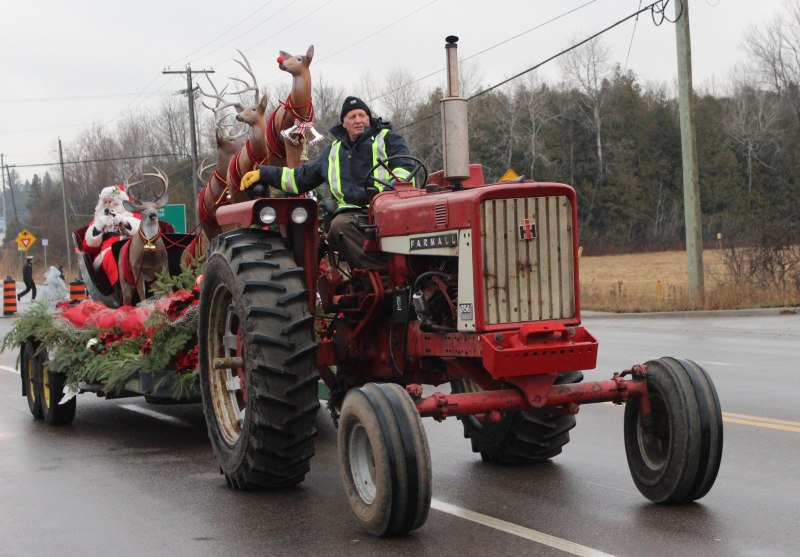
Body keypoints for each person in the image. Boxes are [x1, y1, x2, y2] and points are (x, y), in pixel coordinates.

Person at [240, 96, 413, 269]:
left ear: (369, 118)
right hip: (352, 215)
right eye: (352, 117)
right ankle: (384, 275)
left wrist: (389, 194)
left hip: (388, 208)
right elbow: (300, 178)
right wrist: (263, 173)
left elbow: (404, 167)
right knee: (340, 226)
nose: (358, 120)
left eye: (362, 115)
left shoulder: (388, 138)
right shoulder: (333, 151)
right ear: (343, 123)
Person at [82, 185, 140, 285]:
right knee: (111, 254)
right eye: (106, 202)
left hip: (131, 244)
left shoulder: (131, 216)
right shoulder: (97, 220)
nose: (108, 205)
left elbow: (142, 231)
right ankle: (119, 285)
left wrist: (125, 221)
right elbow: (88, 247)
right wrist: (98, 227)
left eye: (112, 202)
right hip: (108, 248)